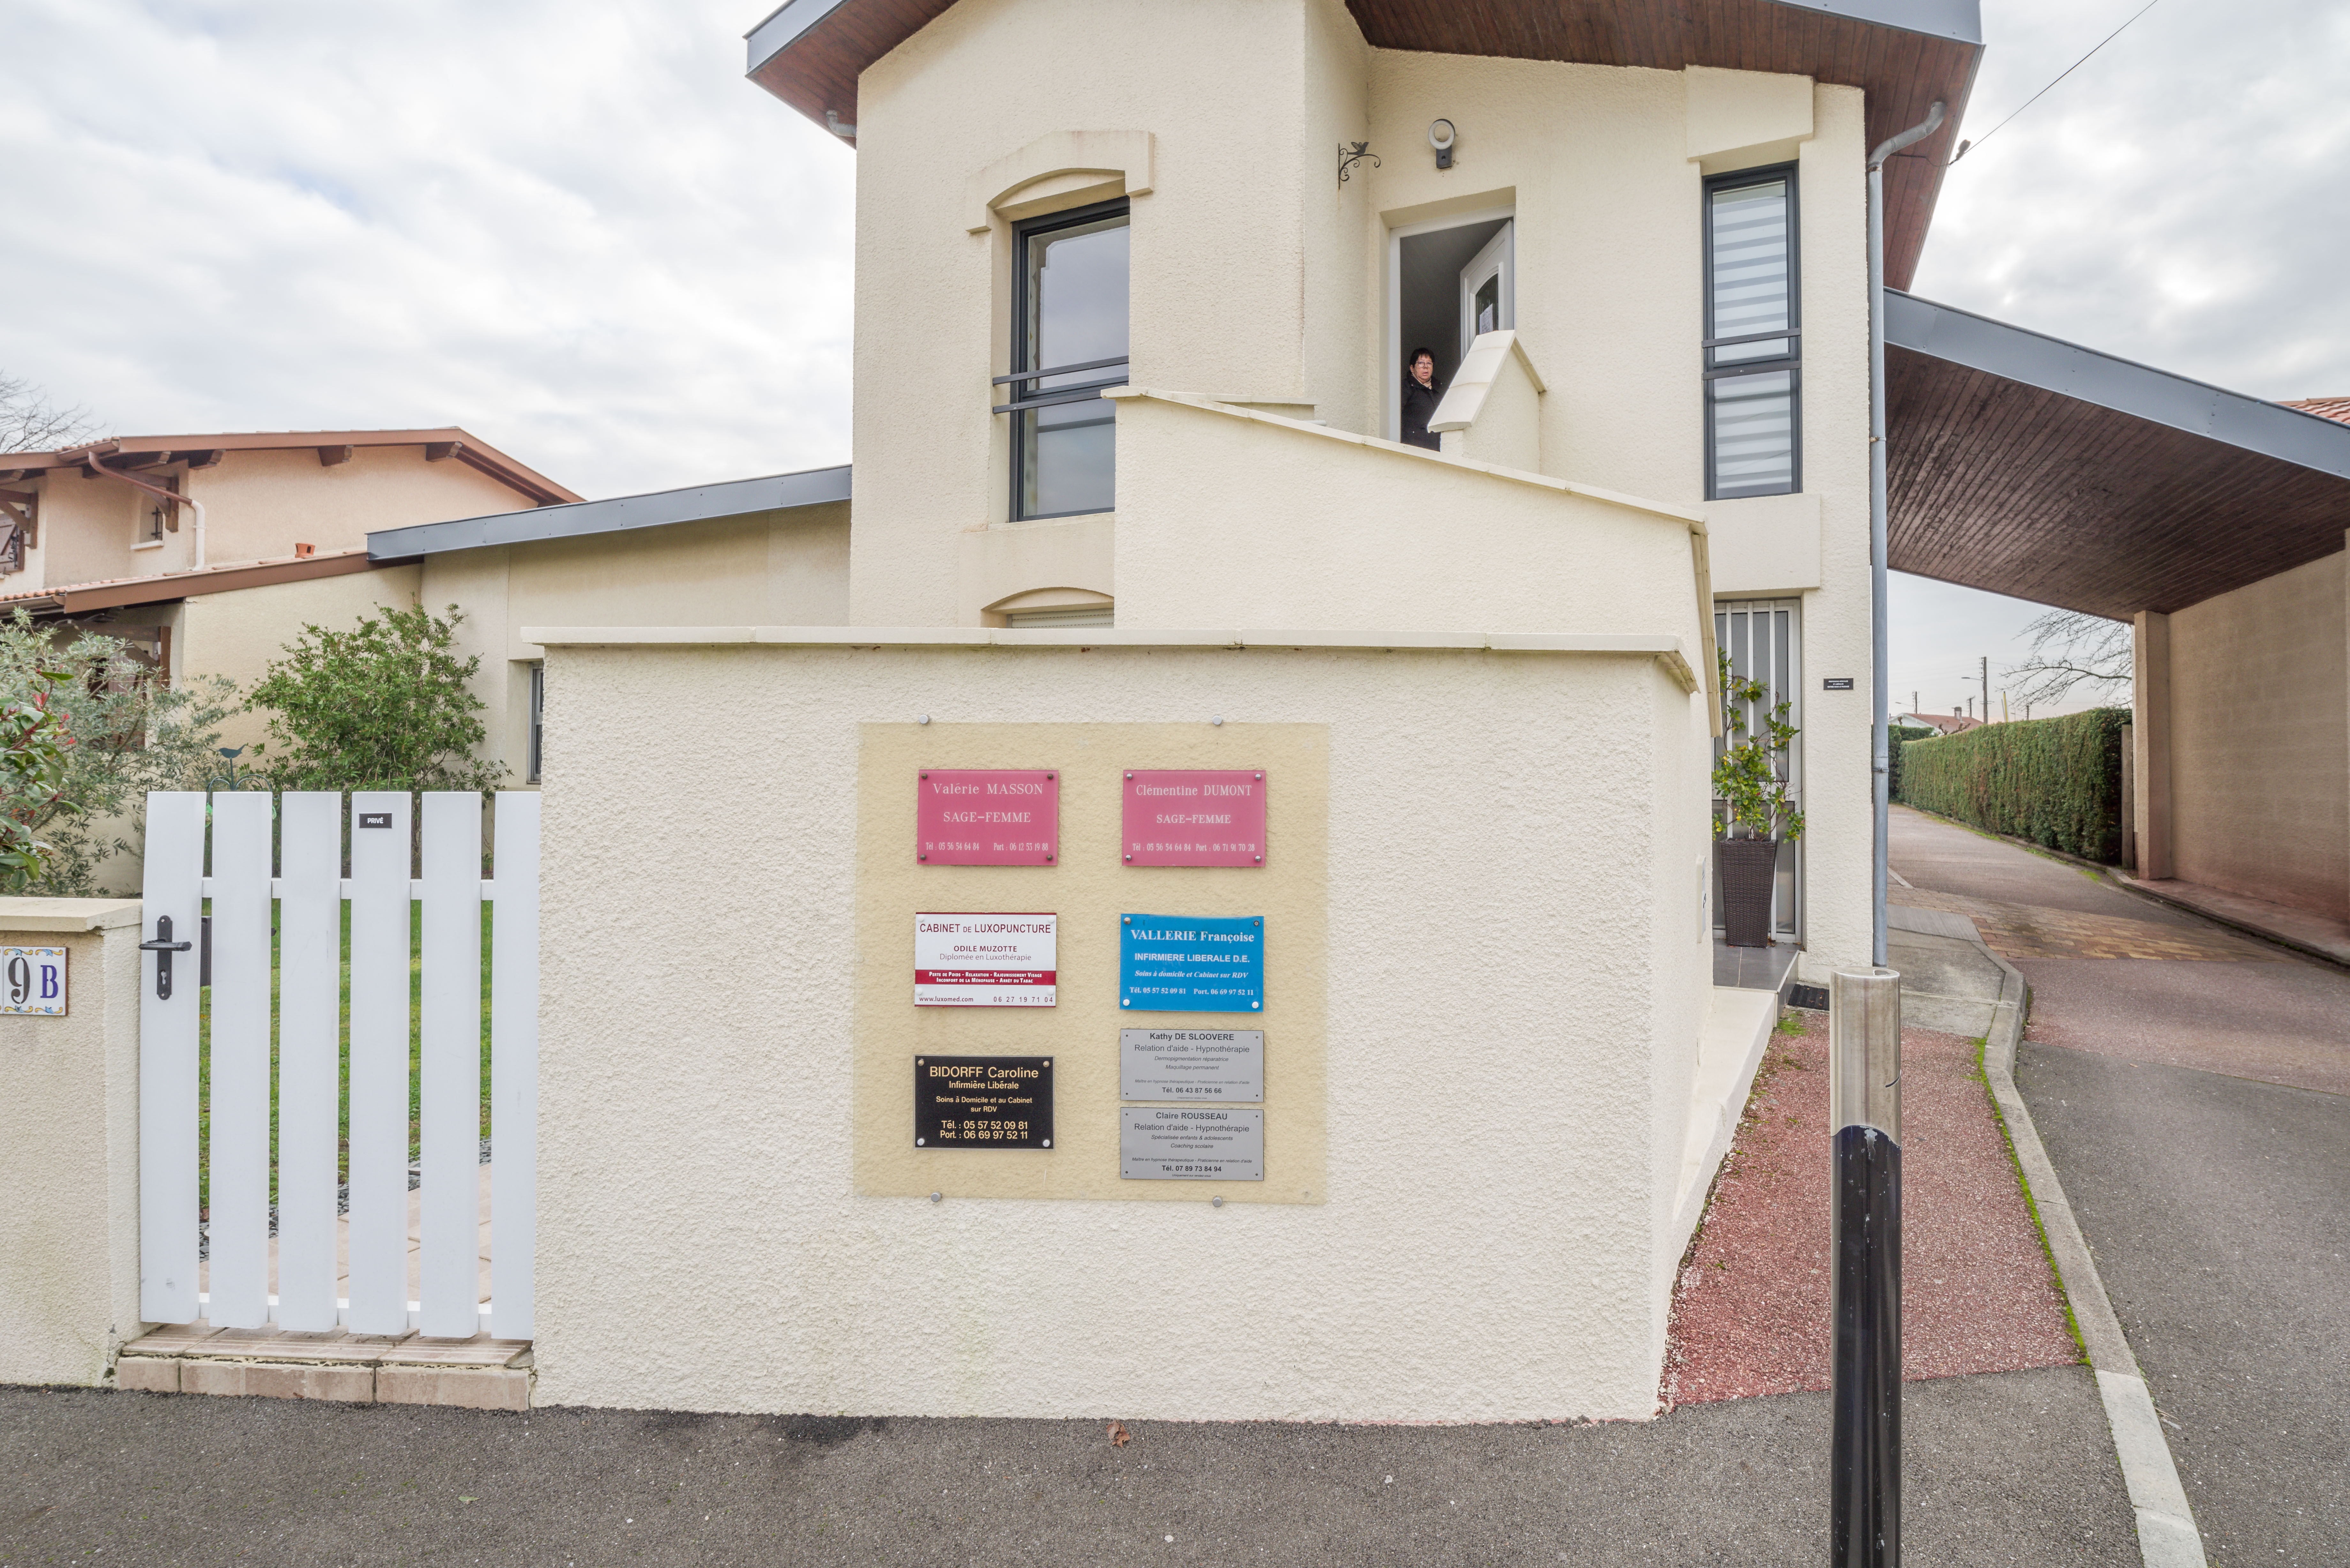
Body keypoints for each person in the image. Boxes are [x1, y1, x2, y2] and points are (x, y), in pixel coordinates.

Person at [1400, 347, 1443, 451]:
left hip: (1436, 448)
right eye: (1421, 363)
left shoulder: (1440, 390)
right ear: (1412, 368)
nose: (1426, 367)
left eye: (1429, 363)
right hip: (1412, 447)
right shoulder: (1405, 388)